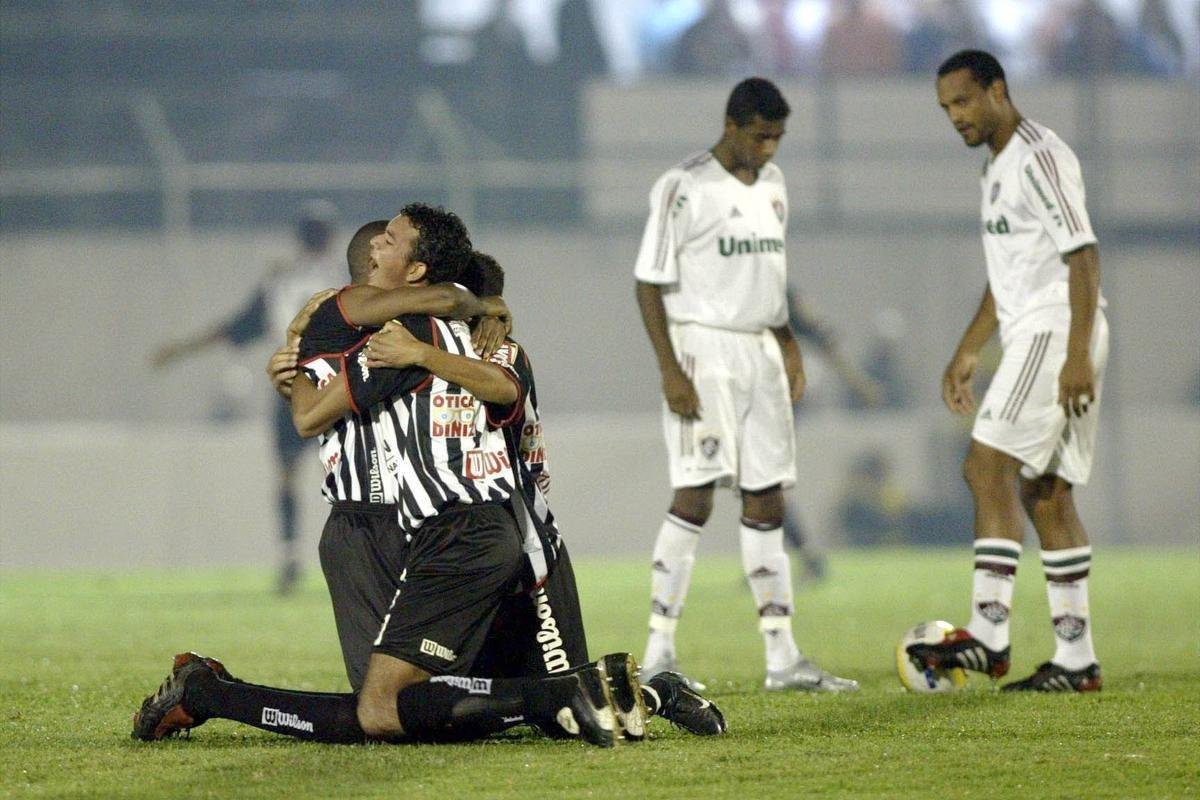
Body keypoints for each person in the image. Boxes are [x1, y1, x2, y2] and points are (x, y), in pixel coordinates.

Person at [633, 76, 857, 693]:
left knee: (767, 497)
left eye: (778, 137)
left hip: (761, 348)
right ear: (731, 126)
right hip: (702, 349)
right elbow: (648, 282)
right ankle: (658, 652)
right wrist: (670, 369)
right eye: (761, 136)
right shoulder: (684, 186)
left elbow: (770, 273)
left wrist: (787, 341)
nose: (769, 149)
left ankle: (782, 657)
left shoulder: (775, 185)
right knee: (696, 494)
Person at [907, 50, 1108, 692]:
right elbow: (1006, 277)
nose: (955, 117)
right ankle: (1076, 661)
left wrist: (1075, 352)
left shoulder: (1037, 155)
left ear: (998, 90)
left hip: (1055, 330)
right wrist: (968, 349)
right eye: (946, 108)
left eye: (964, 101)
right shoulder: (995, 167)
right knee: (1046, 492)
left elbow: (1082, 254)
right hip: (1043, 329)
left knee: (984, 466)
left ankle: (989, 635)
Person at [265, 217, 511, 692]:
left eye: (391, 241)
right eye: (383, 242)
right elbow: (309, 415)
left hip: (411, 519)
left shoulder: (407, 333)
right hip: (370, 525)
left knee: (397, 699)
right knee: (386, 701)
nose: (382, 245)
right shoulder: (362, 322)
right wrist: (485, 305)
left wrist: (487, 309)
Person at [152, 199, 343, 594]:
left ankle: (290, 556)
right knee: (354, 474)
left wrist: (181, 349)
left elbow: (236, 327)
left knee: (287, 476)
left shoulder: (280, 281)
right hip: (340, 387)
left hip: (294, 387)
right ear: (330, 238)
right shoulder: (349, 279)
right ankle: (363, 554)